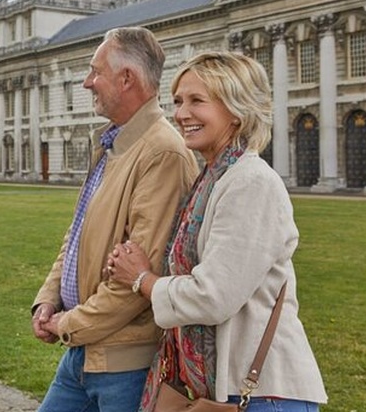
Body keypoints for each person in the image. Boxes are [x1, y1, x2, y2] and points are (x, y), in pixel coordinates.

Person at [107, 52, 327, 411]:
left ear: (237, 110)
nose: (181, 113)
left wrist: (142, 280)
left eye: (197, 101)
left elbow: (212, 296)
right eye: (178, 101)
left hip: (263, 395)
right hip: (222, 389)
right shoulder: (211, 178)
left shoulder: (251, 182)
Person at [32, 27, 198, 412]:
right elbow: (76, 239)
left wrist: (68, 324)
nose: (88, 82)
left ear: (127, 79)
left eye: (95, 72)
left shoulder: (162, 153)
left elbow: (137, 276)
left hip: (126, 363)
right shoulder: (112, 143)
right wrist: (48, 300)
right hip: (84, 353)